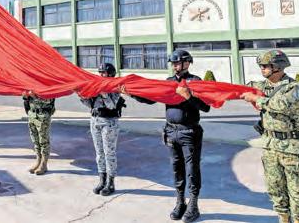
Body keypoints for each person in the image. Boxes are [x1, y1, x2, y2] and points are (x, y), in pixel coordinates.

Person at [122, 49, 209, 223]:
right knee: (177, 169)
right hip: (171, 131)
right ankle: (180, 202)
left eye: (178, 63)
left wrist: (189, 96)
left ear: (187, 63)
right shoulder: (169, 82)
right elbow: (151, 98)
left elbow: (206, 107)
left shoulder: (195, 81)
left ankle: (193, 206)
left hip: (189, 132)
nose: (175, 66)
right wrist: (132, 94)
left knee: (192, 170)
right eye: (173, 63)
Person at [241, 50, 299, 223]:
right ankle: (283, 218)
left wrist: (255, 99)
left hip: (293, 147)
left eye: (266, 66)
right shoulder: (261, 86)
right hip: (270, 146)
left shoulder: (295, 88)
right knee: (275, 188)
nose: (262, 69)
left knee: (297, 191)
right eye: (261, 66)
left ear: (278, 67)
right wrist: (199, 90)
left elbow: (281, 105)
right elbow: (236, 90)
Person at [80, 63, 124, 196]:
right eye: (100, 72)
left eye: (103, 73)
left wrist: (104, 94)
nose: (101, 75)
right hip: (95, 120)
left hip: (108, 122)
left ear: (110, 74)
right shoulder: (96, 85)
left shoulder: (115, 88)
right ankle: (102, 180)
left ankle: (110, 182)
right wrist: (82, 95)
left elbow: (111, 105)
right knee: (99, 153)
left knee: (109, 153)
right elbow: (90, 104)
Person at [23, 91, 55, 175]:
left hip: (43, 115)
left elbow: (49, 99)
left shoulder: (48, 85)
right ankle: (38, 161)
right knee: (35, 140)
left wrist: (35, 96)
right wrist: (25, 96)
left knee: (43, 141)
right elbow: (26, 99)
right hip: (32, 114)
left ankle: (44, 164)